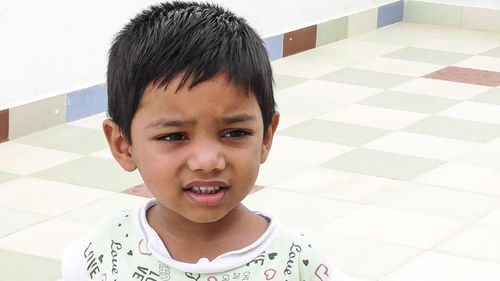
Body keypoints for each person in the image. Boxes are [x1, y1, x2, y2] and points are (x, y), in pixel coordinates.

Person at [62, 2, 345, 280]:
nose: (207, 161)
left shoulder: (297, 262)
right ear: (123, 146)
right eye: (173, 136)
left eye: (235, 133)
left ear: (266, 137)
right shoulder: (102, 252)